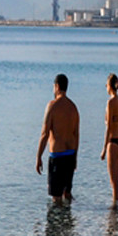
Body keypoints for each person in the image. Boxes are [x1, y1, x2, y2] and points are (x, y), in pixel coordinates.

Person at [36, 73, 80, 203]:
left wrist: (38, 157)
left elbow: (44, 134)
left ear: (56, 86)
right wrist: (75, 158)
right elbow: (76, 135)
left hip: (57, 157)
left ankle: (57, 223)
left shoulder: (52, 106)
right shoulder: (73, 108)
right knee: (67, 194)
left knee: (56, 199)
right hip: (71, 155)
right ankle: (68, 222)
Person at [99, 73, 118, 204]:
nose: (105, 87)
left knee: (113, 182)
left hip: (112, 143)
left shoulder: (110, 102)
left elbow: (108, 127)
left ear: (109, 86)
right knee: (116, 181)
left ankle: (114, 215)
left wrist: (104, 149)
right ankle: (116, 212)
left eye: (106, 85)